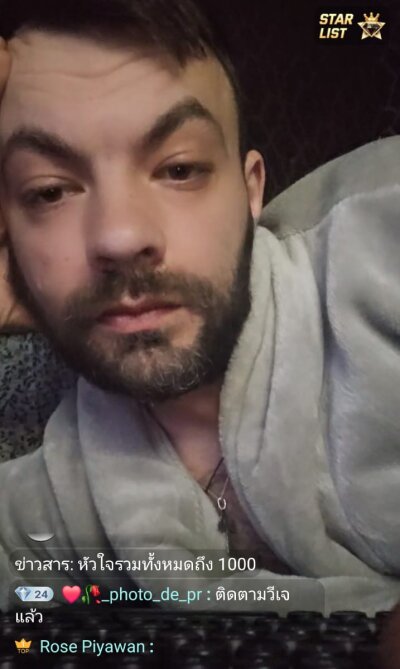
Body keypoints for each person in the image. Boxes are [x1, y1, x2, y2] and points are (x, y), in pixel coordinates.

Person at [0, 0, 400, 615]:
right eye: (50, 191)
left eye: (180, 169)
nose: (120, 236)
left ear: (251, 189)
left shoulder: (380, 245)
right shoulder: (48, 510)